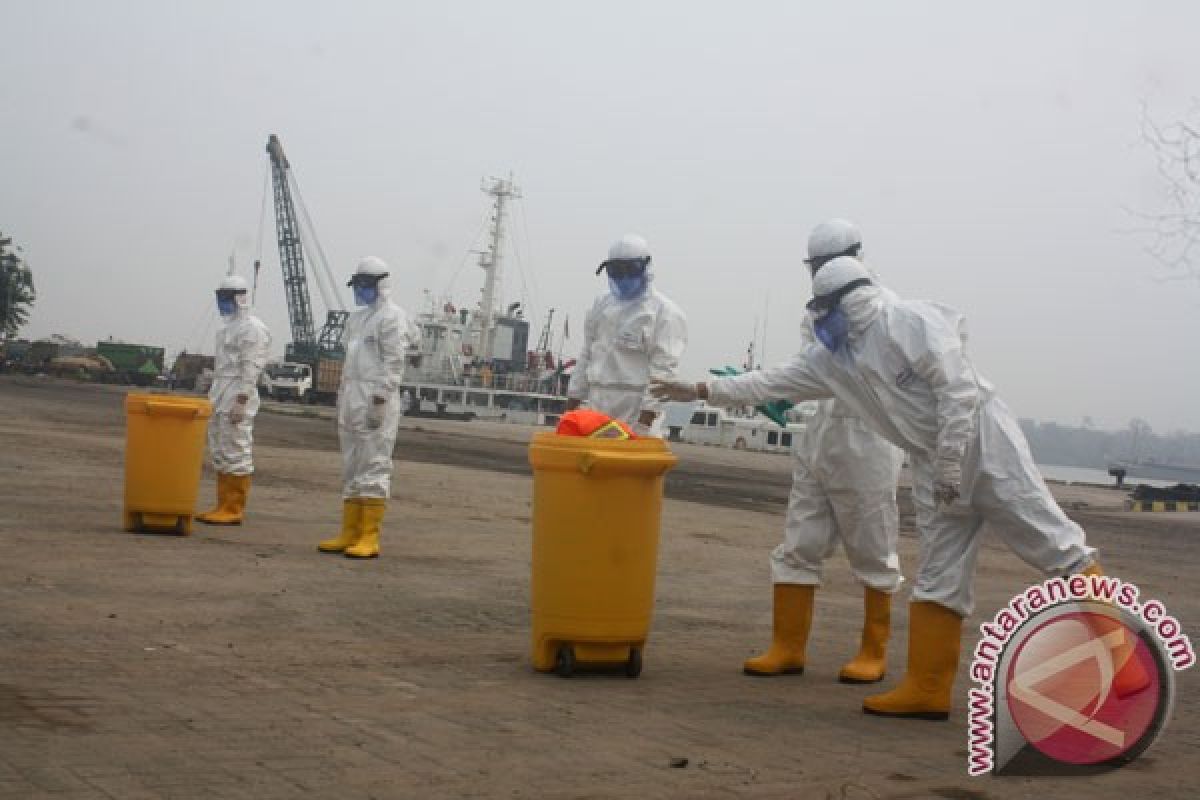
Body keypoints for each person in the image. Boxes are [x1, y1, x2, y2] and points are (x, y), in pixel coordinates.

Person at [651, 256, 1100, 719]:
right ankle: (927, 689)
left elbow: (959, 390)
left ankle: (1124, 658)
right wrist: (701, 390)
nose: (822, 321)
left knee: (1053, 543)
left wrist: (951, 460)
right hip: (929, 457)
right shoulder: (834, 360)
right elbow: (772, 382)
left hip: (984, 443)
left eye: (828, 309)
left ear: (851, 299)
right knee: (939, 573)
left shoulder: (909, 321)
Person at [742, 220, 905, 685]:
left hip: (868, 435)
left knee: (872, 544)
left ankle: (873, 651)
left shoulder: (888, 311)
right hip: (822, 433)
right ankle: (788, 647)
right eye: (816, 265)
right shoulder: (815, 312)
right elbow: (808, 371)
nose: (821, 272)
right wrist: (777, 396)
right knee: (799, 538)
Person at [318, 256, 418, 559]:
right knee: (351, 463)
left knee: (373, 462)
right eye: (357, 284)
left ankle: (368, 535)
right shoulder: (357, 319)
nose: (360, 290)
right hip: (352, 394)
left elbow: (393, 363)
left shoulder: (393, 318)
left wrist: (380, 400)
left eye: (365, 284)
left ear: (381, 285)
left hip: (376, 396)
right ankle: (349, 531)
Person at [566, 234, 688, 437]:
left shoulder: (665, 313)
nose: (623, 278)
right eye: (616, 271)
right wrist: (572, 405)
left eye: (630, 270)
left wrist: (644, 423)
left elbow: (663, 372)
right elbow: (587, 354)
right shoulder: (601, 305)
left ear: (646, 268)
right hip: (597, 403)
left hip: (635, 407)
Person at [196, 273, 272, 525]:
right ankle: (222, 504)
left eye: (227, 298)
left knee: (236, 447)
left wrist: (242, 398)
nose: (222, 303)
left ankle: (234, 507)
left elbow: (252, 366)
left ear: (240, 298)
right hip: (221, 391)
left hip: (238, 391)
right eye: (220, 297)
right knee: (220, 447)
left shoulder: (253, 328)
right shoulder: (226, 328)